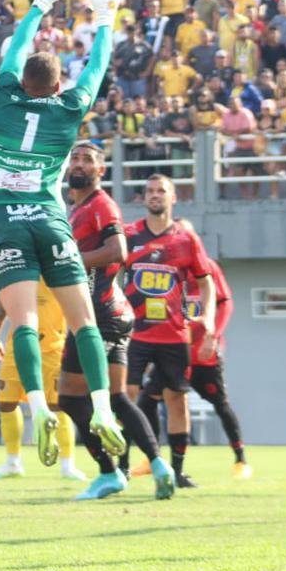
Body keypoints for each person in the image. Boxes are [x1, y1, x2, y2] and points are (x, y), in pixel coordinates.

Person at [0, 0, 128, 468]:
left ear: (21, 81)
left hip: (7, 221)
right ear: (57, 83)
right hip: (49, 217)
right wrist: (105, 16)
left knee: (23, 321)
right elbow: (97, 66)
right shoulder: (70, 108)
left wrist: (43, 0)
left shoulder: (2, 98)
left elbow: (16, 48)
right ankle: (103, 409)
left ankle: (40, 407)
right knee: (83, 320)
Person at [58, 143, 174, 502]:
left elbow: (117, 252)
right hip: (112, 313)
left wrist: (70, 261)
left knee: (71, 398)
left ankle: (110, 472)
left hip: (99, 315)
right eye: (75, 158)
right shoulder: (75, 209)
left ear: (100, 170)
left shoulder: (101, 205)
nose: (79, 164)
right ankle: (159, 466)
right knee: (116, 397)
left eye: (87, 160)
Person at [123, 175, 216, 488]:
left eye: (161, 191)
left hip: (174, 335)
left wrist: (209, 322)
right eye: (149, 191)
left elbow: (206, 283)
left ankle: (177, 470)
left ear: (173, 198)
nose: (154, 195)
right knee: (125, 397)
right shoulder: (129, 235)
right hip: (134, 333)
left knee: (177, 400)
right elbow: (109, 275)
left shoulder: (186, 239)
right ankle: (120, 467)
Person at [138, 242, 251, 479]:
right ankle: (153, 458)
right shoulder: (166, 268)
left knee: (220, 403)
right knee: (147, 400)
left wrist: (213, 336)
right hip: (173, 352)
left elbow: (225, 303)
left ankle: (240, 459)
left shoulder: (207, 268)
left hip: (202, 356)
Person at [0, 282, 86, 482]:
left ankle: (68, 465)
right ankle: (12, 462)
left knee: (57, 405)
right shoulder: (17, 266)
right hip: (17, 346)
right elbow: (2, 299)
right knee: (6, 403)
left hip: (53, 347)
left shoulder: (56, 266)